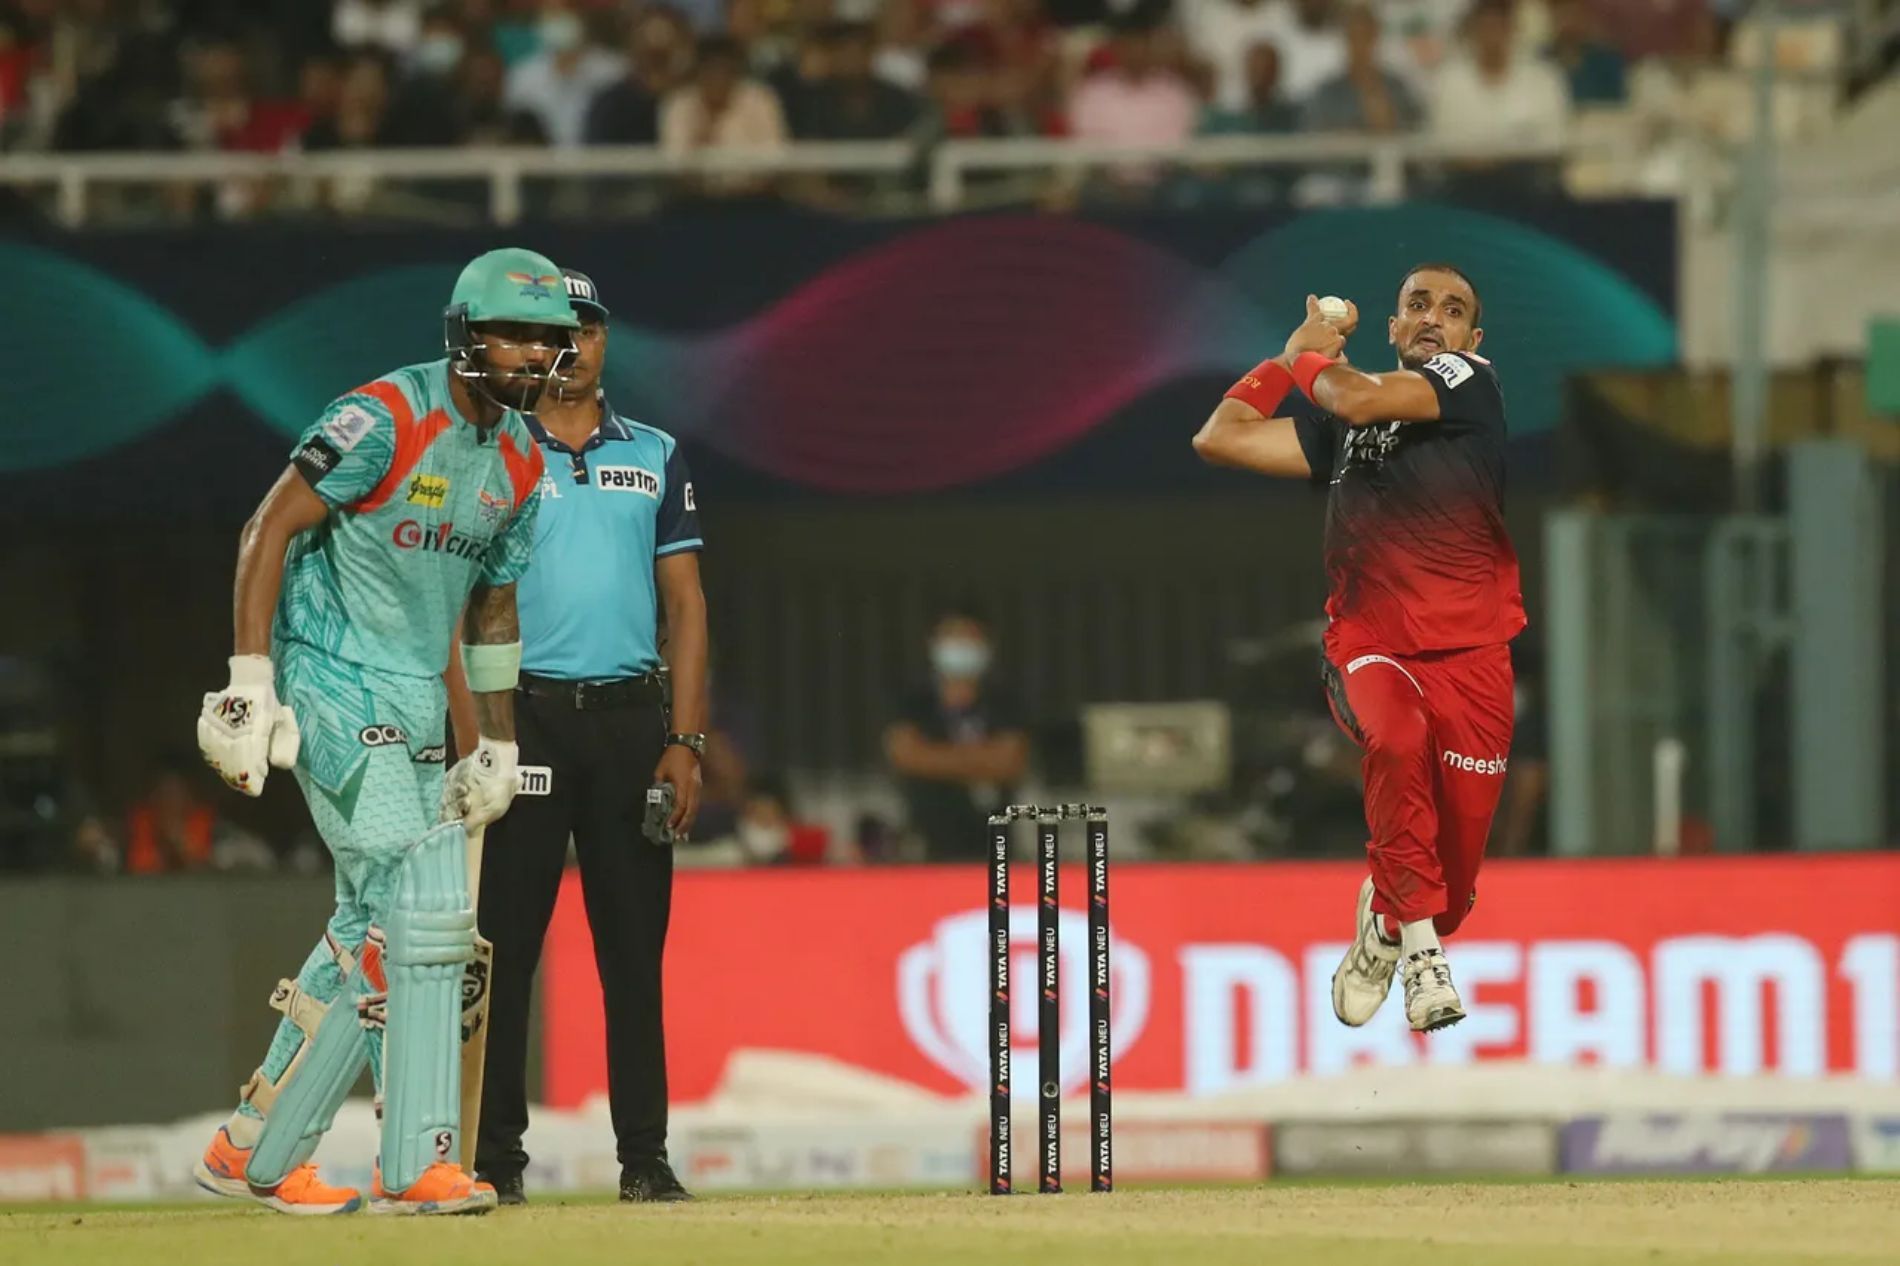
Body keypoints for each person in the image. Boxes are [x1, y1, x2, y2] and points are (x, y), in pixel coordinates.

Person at [191, 247, 577, 1215]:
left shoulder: (525, 460)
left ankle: (250, 1148)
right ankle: (416, 1163)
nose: (533, 356)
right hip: (327, 675)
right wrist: (249, 684)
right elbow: (266, 529)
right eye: (513, 334)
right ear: (463, 334)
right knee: (422, 900)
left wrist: (496, 742)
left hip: (412, 694)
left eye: (547, 340)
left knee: (368, 924)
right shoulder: (387, 417)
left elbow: (490, 609)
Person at [1191, 265, 1524, 1033]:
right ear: (1393, 328)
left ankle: (1385, 926)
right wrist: (1282, 364)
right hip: (1371, 643)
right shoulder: (1345, 423)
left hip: (1474, 658)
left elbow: (1358, 393)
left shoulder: (1469, 380)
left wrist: (1306, 353)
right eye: (1416, 305)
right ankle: (1419, 956)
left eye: (1452, 309)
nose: (1433, 317)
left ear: (1473, 339)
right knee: (1396, 738)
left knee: (1454, 896)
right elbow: (1220, 438)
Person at [461, 268, 707, 1206]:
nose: (573, 345)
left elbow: (685, 606)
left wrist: (684, 738)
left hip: (629, 725)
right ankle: (494, 1166)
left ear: (604, 342)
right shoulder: (496, 447)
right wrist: (480, 734)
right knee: (505, 951)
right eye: (555, 331)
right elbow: (466, 596)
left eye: (587, 328)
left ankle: (644, 1160)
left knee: (631, 955)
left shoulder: (657, 452)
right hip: (522, 717)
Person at [884, 605, 1030, 861]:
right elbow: (905, 756)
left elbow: (1009, 761)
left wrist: (932, 757)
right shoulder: (914, 703)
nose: (961, 645)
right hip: (928, 847)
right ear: (933, 643)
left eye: (969, 637)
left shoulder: (1004, 703)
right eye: (953, 636)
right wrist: (981, 760)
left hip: (997, 846)